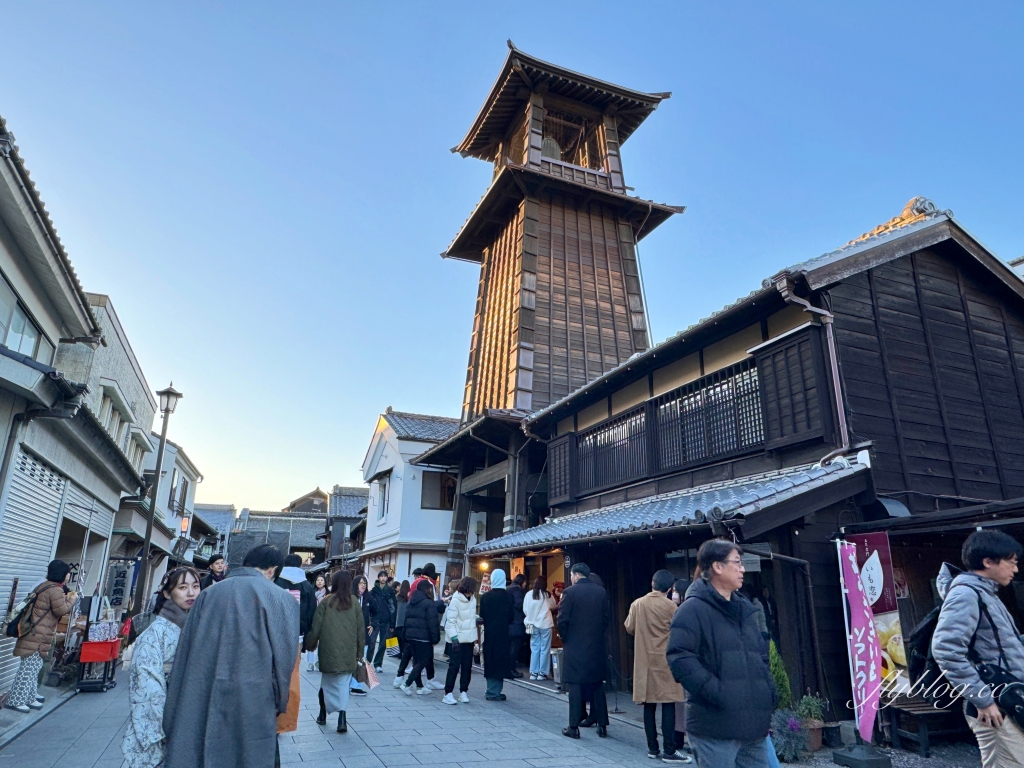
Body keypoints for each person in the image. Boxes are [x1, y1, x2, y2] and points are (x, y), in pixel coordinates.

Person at [163, 544, 299, 768]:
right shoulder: (281, 599)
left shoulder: (208, 594)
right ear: (272, 571)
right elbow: (284, 660)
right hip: (254, 695)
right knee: (250, 754)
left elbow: (186, 649)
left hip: (204, 688)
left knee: (206, 747)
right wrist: (280, 699)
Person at [666, 539, 775, 768]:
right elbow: (680, 658)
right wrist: (720, 693)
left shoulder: (744, 609)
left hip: (753, 724)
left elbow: (760, 655)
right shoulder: (692, 609)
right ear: (717, 567)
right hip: (714, 725)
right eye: (737, 562)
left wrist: (768, 692)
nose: (742, 569)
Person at [932, 530, 1024, 764]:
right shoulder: (966, 594)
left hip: (1006, 698)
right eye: (1012, 562)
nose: (1016, 569)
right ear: (988, 562)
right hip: (994, 703)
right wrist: (982, 699)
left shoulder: (987, 593)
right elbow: (946, 649)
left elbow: (999, 647)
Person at [123, 567, 200, 768]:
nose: (191, 593)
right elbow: (148, 689)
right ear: (167, 592)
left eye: (195, 586)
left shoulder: (198, 626)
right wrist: (166, 727)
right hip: (167, 723)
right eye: (182, 587)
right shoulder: (155, 634)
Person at [625, 569, 691, 763]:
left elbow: (629, 627)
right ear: (670, 588)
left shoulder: (638, 604)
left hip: (645, 661)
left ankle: (652, 748)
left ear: (652, 583)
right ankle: (669, 750)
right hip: (666, 661)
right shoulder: (672, 607)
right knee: (669, 703)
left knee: (649, 705)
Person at [5, 559, 76, 713]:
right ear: (62, 574)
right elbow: (61, 610)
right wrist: (72, 600)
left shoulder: (44, 586)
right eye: (68, 574)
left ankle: (29, 697)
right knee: (28, 669)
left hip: (36, 633)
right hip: (37, 635)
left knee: (34, 668)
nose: (69, 576)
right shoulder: (55, 590)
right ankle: (16, 700)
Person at [305, 570, 363, 735]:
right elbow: (360, 630)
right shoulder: (354, 602)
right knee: (343, 686)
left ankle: (323, 713)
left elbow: (316, 627)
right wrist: (360, 652)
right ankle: (342, 719)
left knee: (326, 684)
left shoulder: (326, 601)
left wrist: (310, 644)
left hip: (328, 650)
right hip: (348, 652)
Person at [558, 563, 611, 739]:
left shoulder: (569, 593)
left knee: (575, 686)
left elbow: (562, 620)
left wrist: (566, 638)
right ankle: (602, 725)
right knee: (597, 684)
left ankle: (573, 727)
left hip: (575, 645)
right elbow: (605, 619)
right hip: (596, 645)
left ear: (575, 575)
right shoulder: (600, 592)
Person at [399, 579, 440, 696]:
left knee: (416, 661)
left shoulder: (411, 601)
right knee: (424, 661)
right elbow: (433, 623)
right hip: (424, 637)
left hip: (411, 636)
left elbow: (406, 619)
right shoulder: (429, 603)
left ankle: (419, 686)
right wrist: (435, 638)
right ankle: (407, 683)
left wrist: (405, 635)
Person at [442, 577, 478, 705]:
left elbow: (472, 617)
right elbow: (450, 622)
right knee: (454, 666)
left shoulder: (473, 599)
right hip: (456, 639)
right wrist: (454, 638)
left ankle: (463, 691)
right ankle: (448, 693)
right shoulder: (455, 600)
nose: (473, 592)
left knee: (467, 667)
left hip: (469, 638)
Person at [479, 569, 514, 700]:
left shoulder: (485, 597)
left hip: (489, 633)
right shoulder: (509, 597)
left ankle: (490, 689)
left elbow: (482, 615)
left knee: (490, 660)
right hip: (503, 634)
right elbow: (511, 616)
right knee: (501, 661)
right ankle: (496, 691)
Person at [275, 554, 317, 637]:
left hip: (276, 627)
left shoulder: (275, 581)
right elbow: (311, 609)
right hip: (299, 628)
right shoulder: (307, 585)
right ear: (300, 565)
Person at [523, 576, 556, 680]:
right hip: (545, 624)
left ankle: (533, 672)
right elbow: (553, 605)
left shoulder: (529, 594)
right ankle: (542, 673)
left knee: (535, 648)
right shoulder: (547, 595)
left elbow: (525, 609)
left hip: (533, 625)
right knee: (545, 648)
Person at [367, 570, 394, 672]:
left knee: (383, 644)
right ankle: (368, 662)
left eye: (384, 576)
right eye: (381, 576)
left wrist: (392, 623)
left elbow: (393, 608)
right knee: (372, 642)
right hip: (375, 620)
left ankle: (378, 664)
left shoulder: (390, 592)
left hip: (386, 620)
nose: (383, 578)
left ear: (387, 578)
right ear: (378, 578)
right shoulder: (373, 592)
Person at [351, 575, 371, 697]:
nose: (363, 585)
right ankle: (351, 684)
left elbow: (377, 611)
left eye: (364, 583)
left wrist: (373, 624)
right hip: (351, 633)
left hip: (364, 634)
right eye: (360, 583)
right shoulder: (351, 598)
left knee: (361, 659)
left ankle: (356, 685)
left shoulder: (368, 598)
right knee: (352, 659)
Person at [305, 575, 328, 671]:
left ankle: (319, 662)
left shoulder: (329, 594)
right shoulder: (311, 593)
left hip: (325, 620)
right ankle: (310, 663)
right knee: (312, 641)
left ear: (325, 582)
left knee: (323, 642)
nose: (319, 582)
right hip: (313, 620)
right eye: (317, 580)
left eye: (321, 580)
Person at [507, 573, 527, 679]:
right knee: (514, 648)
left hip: (509, 623)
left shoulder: (509, 589)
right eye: (525, 582)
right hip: (517, 622)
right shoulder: (517, 590)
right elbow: (519, 605)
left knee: (510, 648)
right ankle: (511, 669)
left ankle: (509, 668)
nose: (526, 584)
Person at [394, 580, 410, 657]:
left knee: (396, 637)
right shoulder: (408, 598)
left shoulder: (397, 597)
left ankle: (395, 652)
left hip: (397, 621)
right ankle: (402, 653)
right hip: (405, 621)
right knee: (403, 639)